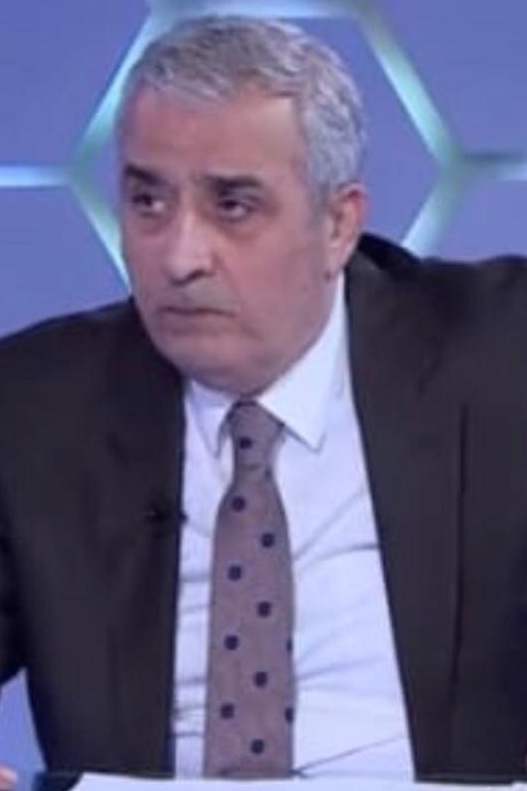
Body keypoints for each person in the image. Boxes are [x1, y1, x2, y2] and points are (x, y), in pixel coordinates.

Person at [1, 14, 527, 788]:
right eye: (147, 201)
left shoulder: (501, 352)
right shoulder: (35, 404)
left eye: (233, 205)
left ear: (338, 223)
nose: (180, 256)